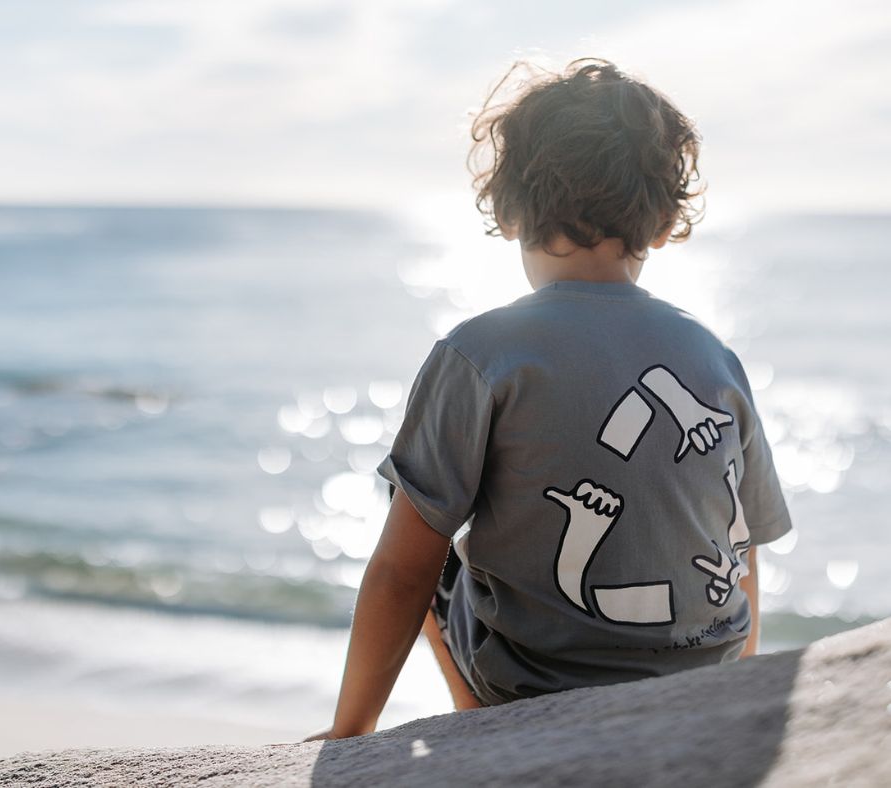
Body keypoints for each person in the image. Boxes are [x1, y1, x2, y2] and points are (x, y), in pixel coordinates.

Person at [307, 56, 793, 739]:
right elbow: (743, 550)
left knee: (417, 506)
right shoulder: (716, 357)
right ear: (661, 222)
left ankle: (473, 717)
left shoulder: (481, 353)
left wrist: (351, 730)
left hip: (532, 685)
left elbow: (400, 571)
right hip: (700, 681)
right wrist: (729, 689)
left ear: (506, 209)